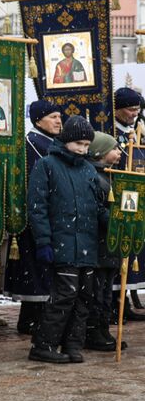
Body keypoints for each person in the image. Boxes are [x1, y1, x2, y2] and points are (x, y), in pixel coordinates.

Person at [27, 115, 106, 364]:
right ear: (67, 141)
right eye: (79, 144)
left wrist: (117, 223)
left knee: (84, 297)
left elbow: (98, 206)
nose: (83, 149)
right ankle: (44, 344)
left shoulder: (88, 170)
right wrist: (43, 241)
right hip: (62, 243)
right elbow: (37, 207)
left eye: (86, 145)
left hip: (87, 244)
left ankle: (73, 344)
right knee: (65, 295)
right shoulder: (47, 165)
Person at [6, 102, 61, 335]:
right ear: (38, 120)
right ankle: (30, 319)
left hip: (52, 215)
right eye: (53, 117)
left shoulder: (52, 143)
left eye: (60, 116)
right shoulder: (29, 143)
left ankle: (40, 316)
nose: (59, 121)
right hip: (33, 215)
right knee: (34, 270)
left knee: (45, 272)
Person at [85, 132, 127, 354]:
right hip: (99, 243)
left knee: (107, 290)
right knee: (97, 291)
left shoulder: (109, 175)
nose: (119, 153)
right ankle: (93, 331)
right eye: (114, 149)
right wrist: (115, 219)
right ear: (100, 152)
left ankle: (103, 329)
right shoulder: (93, 176)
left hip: (110, 244)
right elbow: (97, 209)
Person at [111, 87, 145, 317]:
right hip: (118, 197)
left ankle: (126, 301)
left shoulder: (139, 129)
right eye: (130, 109)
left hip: (137, 198)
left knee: (134, 251)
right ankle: (114, 303)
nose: (134, 114)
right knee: (117, 248)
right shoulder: (109, 130)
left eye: (137, 109)